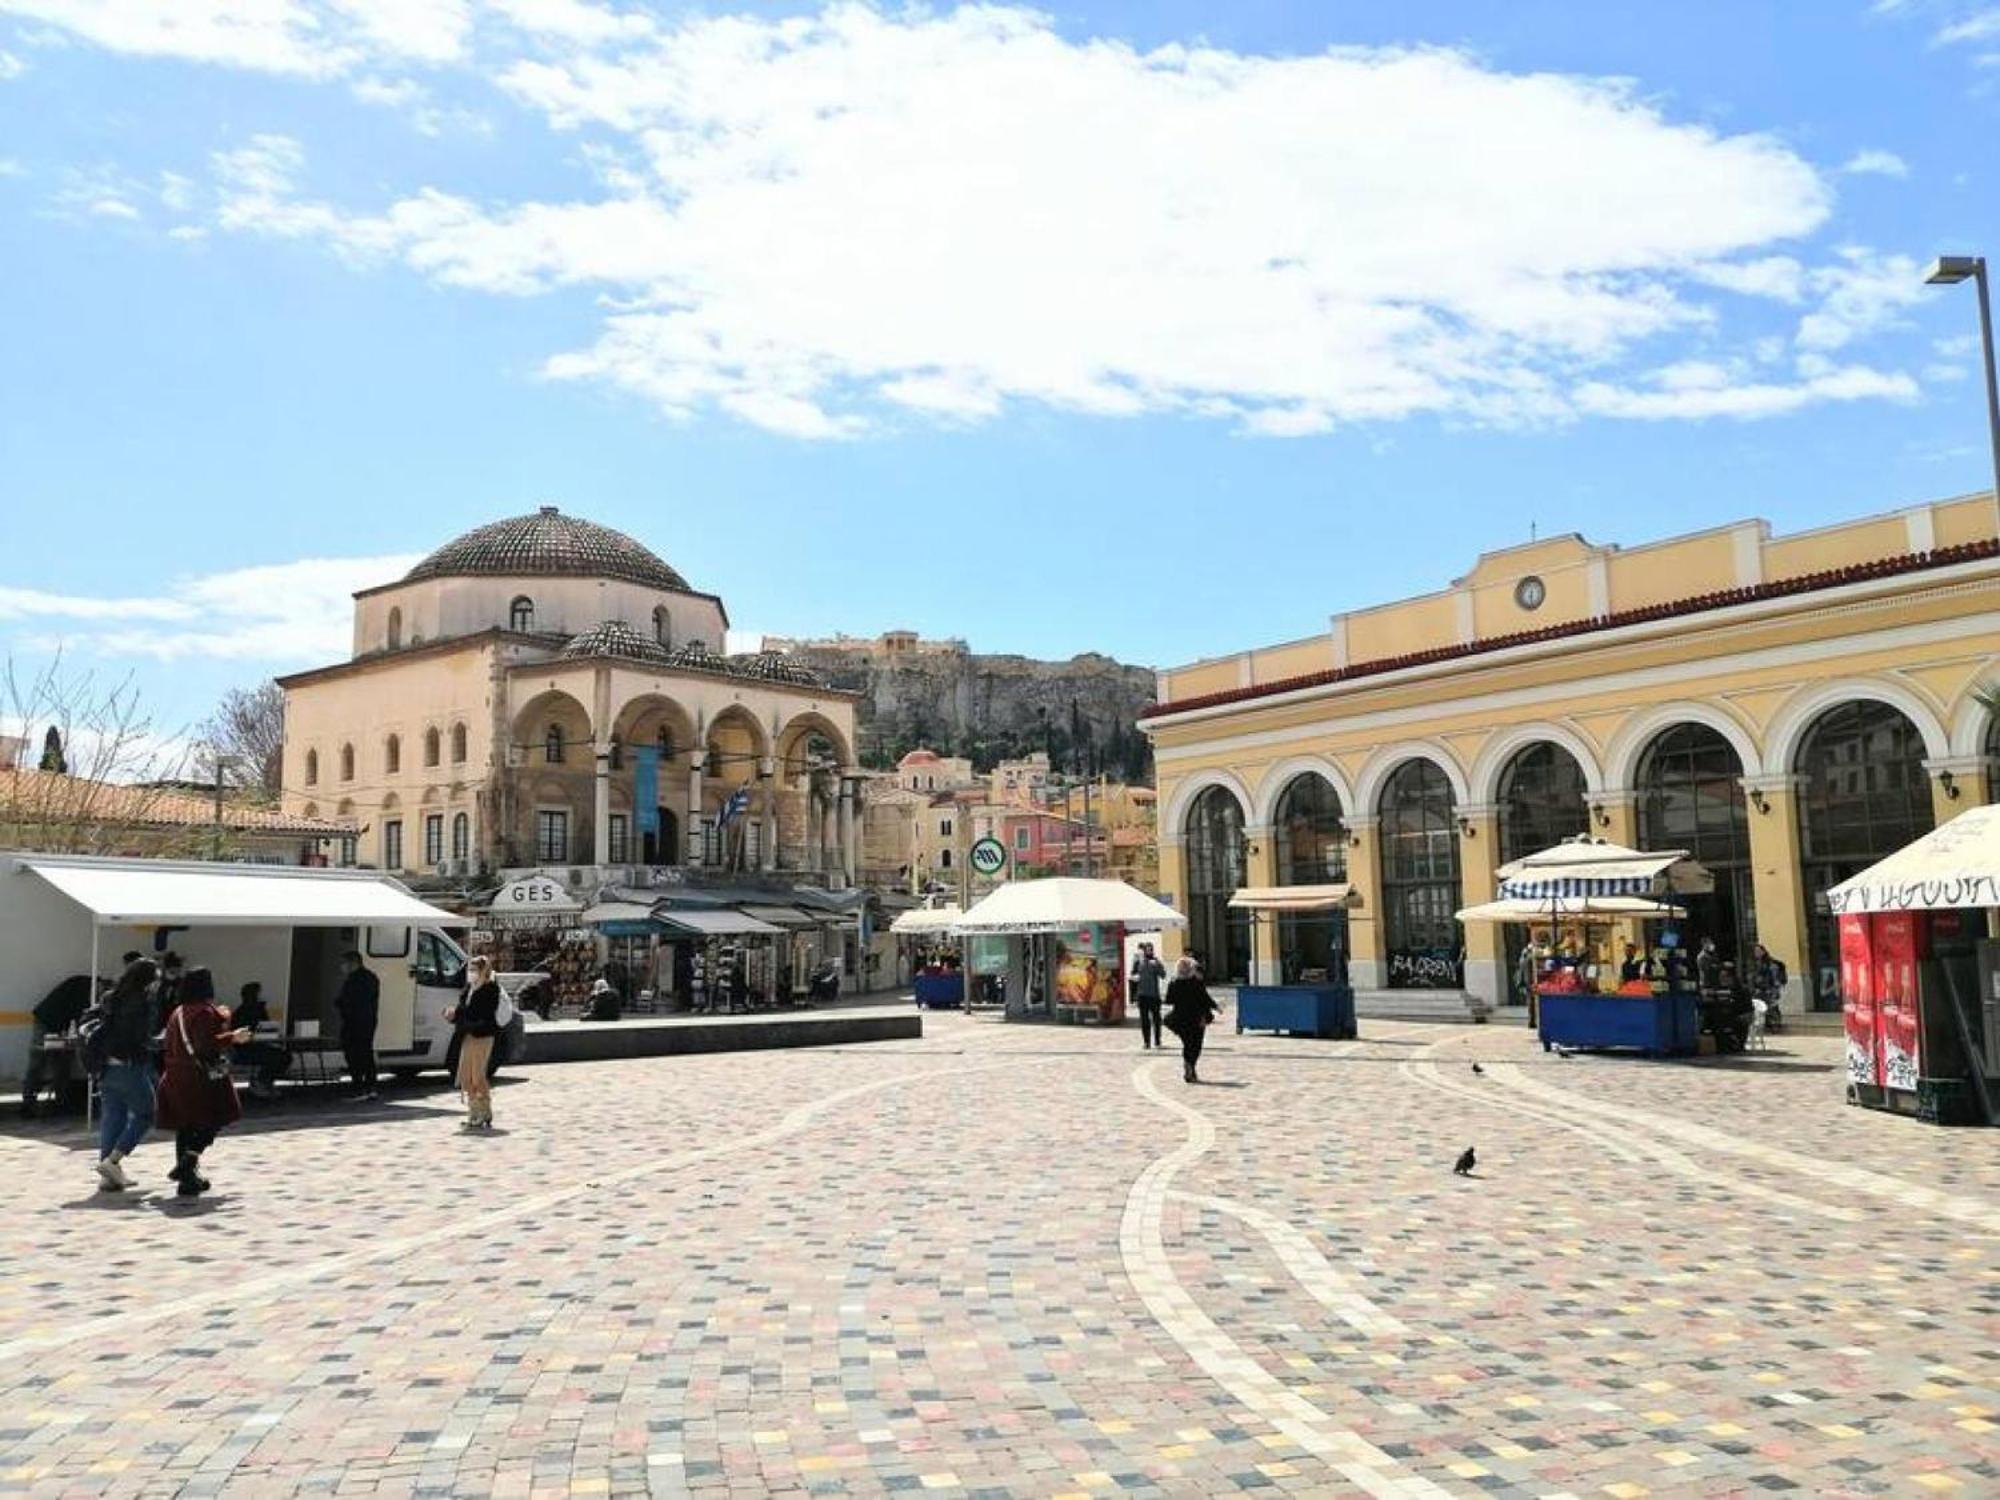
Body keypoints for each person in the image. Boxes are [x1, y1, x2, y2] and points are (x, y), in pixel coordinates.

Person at [154, 966, 251, 1198]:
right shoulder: (205, 1012)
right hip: (200, 1077)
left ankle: (188, 1181)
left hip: (175, 1074)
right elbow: (205, 1045)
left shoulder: (178, 1012)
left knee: (185, 1126)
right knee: (215, 1118)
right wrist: (233, 1036)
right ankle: (188, 1162)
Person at [92, 958, 159, 1192]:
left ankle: (108, 1175)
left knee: (113, 1116)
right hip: (129, 1066)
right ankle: (113, 1161)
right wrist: (154, 1043)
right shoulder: (142, 1002)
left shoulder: (111, 997)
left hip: (105, 1065)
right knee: (147, 1113)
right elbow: (137, 1036)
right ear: (148, 981)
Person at [22, 972, 97, 1117]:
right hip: (46, 1021)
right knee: (39, 1060)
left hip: (55, 1021)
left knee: (60, 1063)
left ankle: (57, 1101)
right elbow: (82, 1017)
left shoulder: (82, 984)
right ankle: (30, 1102)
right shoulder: (85, 989)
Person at [446, 955, 503, 1131]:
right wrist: (452, 1014)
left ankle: (484, 1111)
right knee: (465, 1075)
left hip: (482, 1035)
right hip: (467, 1035)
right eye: (469, 970)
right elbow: (463, 1010)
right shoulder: (468, 989)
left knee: (477, 1075)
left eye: (474, 970)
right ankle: (473, 1112)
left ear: (483, 971)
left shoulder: (491, 989)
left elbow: (484, 1013)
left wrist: (464, 1016)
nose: (470, 973)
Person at [1162, 956, 1219, 1084]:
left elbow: (1168, 1000)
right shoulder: (1196, 982)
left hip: (1179, 1019)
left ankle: (1189, 1067)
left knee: (1187, 1044)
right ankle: (1190, 1066)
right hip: (1197, 1019)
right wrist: (1215, 1007)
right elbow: (1205, 999)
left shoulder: (1174, 982)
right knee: (1196, 1045)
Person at [231, 981, 290, 1101]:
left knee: (285, 1056)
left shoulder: (260, 1010)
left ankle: (266, 1081)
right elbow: (239, 1035)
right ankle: (261, 1082)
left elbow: (266, 1027)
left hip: (260, 1045)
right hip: (246, 1049)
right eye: (259, 993)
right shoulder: (241, 1013)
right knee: (278, 1057)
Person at [334, 950, 380, 1101]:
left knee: (353, 1055)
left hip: (353, 1023)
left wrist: (339, 1004)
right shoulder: (372, 977)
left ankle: (358, 1088)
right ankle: (371, 1087)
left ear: (353, 963)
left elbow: (345, 1002)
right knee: (367, 1053)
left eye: (344, 963)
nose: (342, 967)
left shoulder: (352, 981)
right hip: (369, 1021)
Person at [1129, 941, 1167, 1050]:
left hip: (1154, 995)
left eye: (1151, 949)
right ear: (1144, 950)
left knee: (1156, 1019)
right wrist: (1135, 978)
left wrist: (1158, 966)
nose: (1149, 951)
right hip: (1142, 995)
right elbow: (1132, 975)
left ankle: (1157, 1041)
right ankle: (1146, 1042)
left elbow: (1163, 975)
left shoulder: (1155, 961)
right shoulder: (1138, 962)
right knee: (1144, 1020)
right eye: (1147, 949)